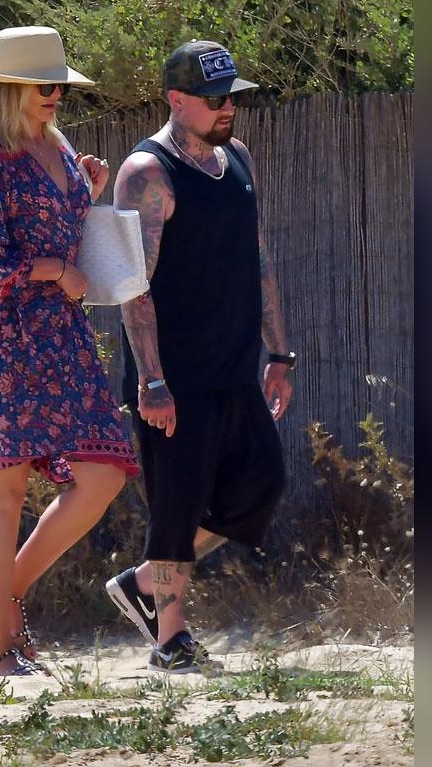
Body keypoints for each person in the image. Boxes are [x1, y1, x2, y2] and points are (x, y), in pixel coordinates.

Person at [0, 26, 140, 676]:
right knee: (4, 487)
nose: (56, 94)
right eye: (43, 84)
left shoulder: (60, 148)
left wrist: (86, 189)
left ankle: (10, 593)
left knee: (104, 471)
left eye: (60, 84)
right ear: (10, 90)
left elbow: (61, 233)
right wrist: (55, 270)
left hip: (60, 335)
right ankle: (1, 649)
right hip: (3, 335)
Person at [104, 40, 295, 673]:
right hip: (176, 375)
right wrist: (151, 380)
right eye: (214, 99)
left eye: (231, 98)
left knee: (261, 484)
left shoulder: (236, 158)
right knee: (178, 499)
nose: (226, 110)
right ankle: (169, 638)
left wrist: (279, 352)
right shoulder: (146, 174)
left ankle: (142, 584)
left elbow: (258, 259)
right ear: (176, 99)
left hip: (236, 363)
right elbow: (134, 286)